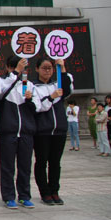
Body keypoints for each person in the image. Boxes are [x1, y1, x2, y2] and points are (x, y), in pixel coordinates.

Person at [0, 56, 40, 209]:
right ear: (8, 68)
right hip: (8, 131)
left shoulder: (29, 85)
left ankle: (24, 196)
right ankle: (8, 197)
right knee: (7, 166)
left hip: (26, 132)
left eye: (20, 68)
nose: (18, 71)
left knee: (25, 166)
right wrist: (15, 73)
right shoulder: (2, 82)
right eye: (14, 67)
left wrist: (30, 99)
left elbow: (38, 107)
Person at [33, 57, 73, 206]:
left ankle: (55, 191)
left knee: (55, 162)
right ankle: (45, 192)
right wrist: (51, 97)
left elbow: (68, 89)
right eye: (44, 68)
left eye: (50, 68)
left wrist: (62, 68)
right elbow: (37, 107)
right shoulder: (33, 86)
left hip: (59, 131)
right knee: (41, 162)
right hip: (42, 131)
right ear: (37, 69)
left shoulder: (57, 84)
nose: (47, 71)